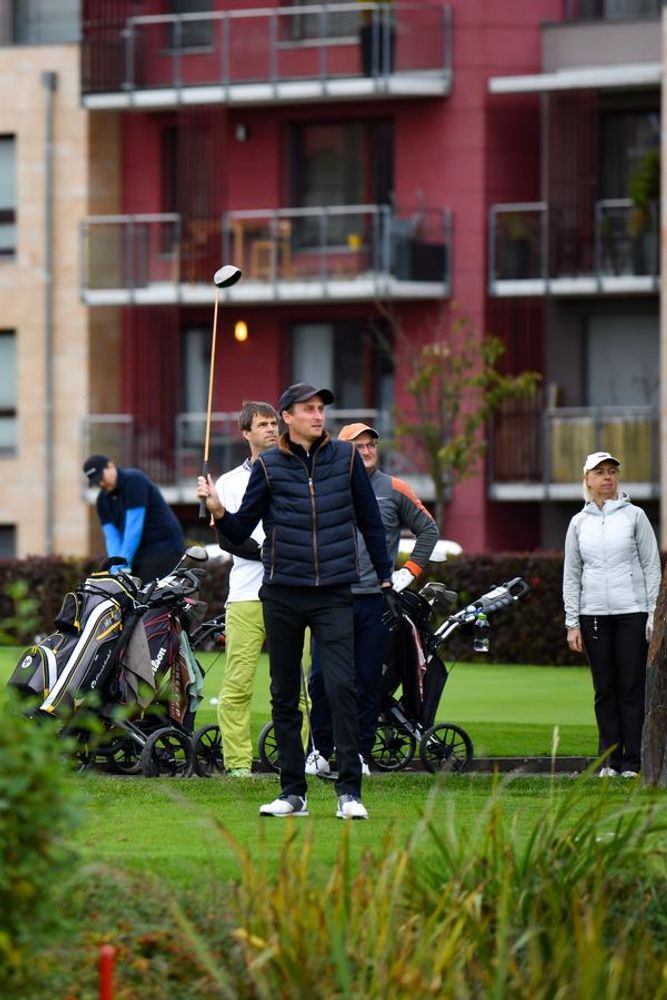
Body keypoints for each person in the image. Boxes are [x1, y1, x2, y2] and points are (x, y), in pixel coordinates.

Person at [198, 383, 399, 820]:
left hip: (333, 592)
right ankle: (293, 793)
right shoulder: (269, 466)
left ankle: (349, 792)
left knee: (339, 686)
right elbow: (240, 529)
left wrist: (386, 578)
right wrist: (218, 511)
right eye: (308, 409)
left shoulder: (346, 459)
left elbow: (370, 521)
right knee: (284, 694)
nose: (317, 415)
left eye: (320, 408)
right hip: (282, 593)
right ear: (288, 417)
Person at [306, 422, 438, 776]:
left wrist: (408, 573)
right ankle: (319, 750)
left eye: (370, 445)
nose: (366, 451)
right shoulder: (323, 487)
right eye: (358, 446)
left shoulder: (394, 489)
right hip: (331, 599)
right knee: (321, 677)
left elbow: (428, 530)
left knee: (368, 680)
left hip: (375, 601)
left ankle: (360, 754)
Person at [563, 451, 660, 779]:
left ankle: (633, 763)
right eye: (600, 472)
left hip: (632, 613)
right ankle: (609, 762)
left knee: (631, 687)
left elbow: (651, 566)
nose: (607, 477)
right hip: (593, 616)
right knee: (604, 689)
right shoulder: (579, 523)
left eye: (612, 471)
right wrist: (572, 622)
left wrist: (652, 613)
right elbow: (572, 574)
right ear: (588, 479)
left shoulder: (635, 516)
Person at [211, 402, 280, 778]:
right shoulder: (228, 482)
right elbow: (228, 539)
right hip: (245, 596)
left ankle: (298, 759)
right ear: (246, 433)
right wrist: (270, 555)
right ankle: (238, 763)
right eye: (263, 424)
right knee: (237, 684)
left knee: (299, 686)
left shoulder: (298, 471)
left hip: (292, 592)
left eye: (274, 423)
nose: (271, 429)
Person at [83, 455, 185, 582]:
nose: (101, 483)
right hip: (139, 550)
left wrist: (124, 562)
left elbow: (134, 527)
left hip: (164, 545)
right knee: (127, 589)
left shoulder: (134, 481)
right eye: (97, 482)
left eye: (101, 478)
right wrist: (115, 567)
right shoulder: (102, 501)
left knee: (147, 589)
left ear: (110, 466)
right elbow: (112, 537)